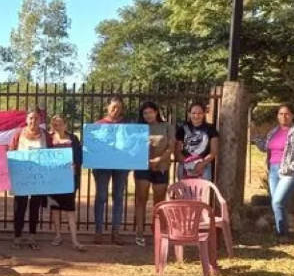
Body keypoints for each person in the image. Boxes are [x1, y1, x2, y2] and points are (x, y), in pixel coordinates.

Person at [254, 104, 294, 239]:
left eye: (286, 114)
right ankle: (282, 231)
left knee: (277, 202)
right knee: (278, 203)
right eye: (280, 114)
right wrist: (256, 137)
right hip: (273, 170)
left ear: (292, 116)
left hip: (291, 172)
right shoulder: (273, 132)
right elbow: (265, 147)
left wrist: (291, 167)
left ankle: (282, 234)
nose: (283, 117)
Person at [7, 107, 52, 250]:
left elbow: (52, 154)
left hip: (38, 178)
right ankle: (17, 236)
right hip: (21, 177)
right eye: (31, 118)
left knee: (35, 207)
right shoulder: (18, 135)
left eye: (36, 118)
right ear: (26, 119)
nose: (33, 121)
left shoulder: (45, 136)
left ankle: (32, 235)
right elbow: (11, 152)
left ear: (40, 120)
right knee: (19, 207)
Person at [133, 101, 174, 246]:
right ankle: (139, 232)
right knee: (141, 200)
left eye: (150, 112)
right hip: (142, 167)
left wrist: (159, 159)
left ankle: (157, 230)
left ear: (156, 112)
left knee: (159, 201)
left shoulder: (167, 127)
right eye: (145, 113)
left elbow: (171, 147)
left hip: (161, 167)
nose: (148, 115)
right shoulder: (138, 128)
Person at [92, 95, 129, 245]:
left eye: (119, 108)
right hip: (102, 166)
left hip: (121, 165)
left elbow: (132, 145)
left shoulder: (127, 126)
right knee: (101, 196)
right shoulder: (98, 125)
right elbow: (91, 146)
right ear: (107, 107)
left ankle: (116, 232)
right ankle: (98, 231)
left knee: (118, 197)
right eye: (113, 107)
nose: (116, 110)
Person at [47, 114, 84, 251]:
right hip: (54, 179)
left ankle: (74, 239)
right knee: (55, 208)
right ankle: (58, 235)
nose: (58, 126)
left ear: (65, 125)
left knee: (70, 209)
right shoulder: (49, 139)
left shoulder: (73, 139)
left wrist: (75, 165)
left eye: (60, 123)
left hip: (69, 179)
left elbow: (79, 158)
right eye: (55, 124)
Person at [175, 101, 219, 181]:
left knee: (202, 192)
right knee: (184, 192)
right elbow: (177, 151)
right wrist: (188, 164)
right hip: (185, 164)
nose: (196, 116)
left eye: (199, 113)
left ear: (204, 114)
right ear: (189, 114)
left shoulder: (210, 129)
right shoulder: (182, 129)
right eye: (193, 113)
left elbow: (214, 151)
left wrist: (202, 164)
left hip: (204, 165)